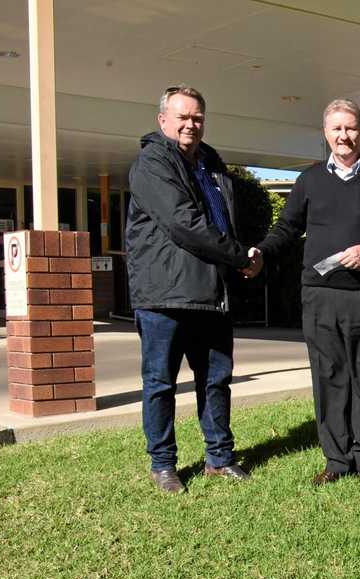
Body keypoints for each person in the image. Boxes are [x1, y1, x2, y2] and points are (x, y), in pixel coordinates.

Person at [255, 98, 360, 491]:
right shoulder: (309, 180)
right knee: (328, 378)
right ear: (326, 133)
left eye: (351, 128)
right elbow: (287, 229)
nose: (344, 136)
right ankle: (336, 459)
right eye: (336, 129)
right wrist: (261, 252)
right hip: (320, 295)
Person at [126, 84, 263, 493]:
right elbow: (184, 223)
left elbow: (222, 221)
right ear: (163, 120)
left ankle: (219, 458)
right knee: (161, 383)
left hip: (212, 293)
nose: (191, 124)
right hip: (165, 295)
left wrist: (237, 259)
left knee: (216, 380)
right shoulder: (152, 163)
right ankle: (163, 465)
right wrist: (239, 256)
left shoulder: (211, 164)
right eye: (182, 117)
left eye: (197, 117)